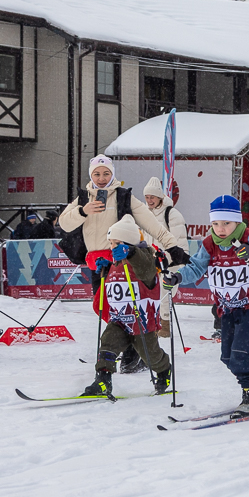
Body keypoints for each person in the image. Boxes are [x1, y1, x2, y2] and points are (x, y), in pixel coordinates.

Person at [60, 155, 191, 374]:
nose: (101, 178)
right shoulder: (83, 197)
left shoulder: (123, 196)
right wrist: (84, 211)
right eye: (97, 174)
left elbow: (151, 224)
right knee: (104, 308)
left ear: (113, 174)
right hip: (97, 263)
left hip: (122, 263)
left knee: (125, 310)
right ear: (91, 176)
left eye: (106, 173)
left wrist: (172, 246)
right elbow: (64, 223)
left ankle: (133, 351)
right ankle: (127, 346)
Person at [163, 195, 249, 415]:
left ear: (237, 221)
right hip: (227, 307)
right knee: (227, 357)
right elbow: (196, 267)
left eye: (226, 223)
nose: (220, 229)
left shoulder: (248, 237)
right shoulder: (209, 244)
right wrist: (177, 277)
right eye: (215, 223)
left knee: (240, 352)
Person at [83, 216, 171, 397]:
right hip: (120, 318)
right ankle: (103, 380)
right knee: (108, 342)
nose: (112, 247)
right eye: (111, 243)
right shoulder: (117, 261)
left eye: (117, 243)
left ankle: (163, 370)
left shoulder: (144, 258)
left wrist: (131, 253)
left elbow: (146, 270)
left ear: (130, 243)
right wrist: (107, 269)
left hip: (141, 319)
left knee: (150, 355)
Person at [143, 177, 190, 338]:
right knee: (149, 294)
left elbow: (179, 241)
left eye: (152, 197)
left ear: (160, 197)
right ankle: (152, 323)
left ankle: (165, 325)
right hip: (151, 262)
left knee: (164, 294)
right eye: (147, 197)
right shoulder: (144, 214)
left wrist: (171, 261)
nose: (149, 200)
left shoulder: (172, 214)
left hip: (169, 263)